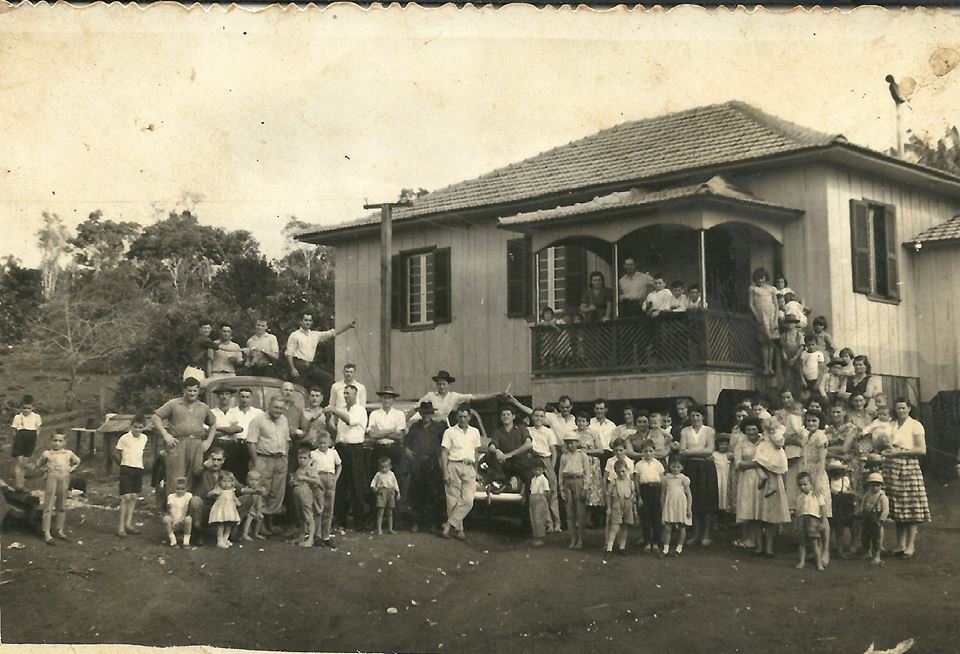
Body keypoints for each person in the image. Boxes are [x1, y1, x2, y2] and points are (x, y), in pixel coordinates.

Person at [152, 378, 218, 499]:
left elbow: (213, 424)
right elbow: (156, 417)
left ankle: (191, 507)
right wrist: (166, 435)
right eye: (189, 390)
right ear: (184, 390)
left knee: (196, 475)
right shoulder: (174, 404)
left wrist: (208, 441)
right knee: (176, 478)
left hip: (197, 444)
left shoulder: (203, 407)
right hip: (178, 443)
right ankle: (174, 507)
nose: (192, 393)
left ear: (198, 391)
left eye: (195, 391)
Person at [882, 398, 930, 558]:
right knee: (897, 507)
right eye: (898, 408)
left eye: (903, 408)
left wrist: (899, 452)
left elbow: (921, 449)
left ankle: (910, 545)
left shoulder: (915, 425)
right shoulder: (891, 425)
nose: (900, 411)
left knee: (911, 506)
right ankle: (900, 544)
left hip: (908, 467)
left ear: (909, 408)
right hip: (892, 467)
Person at [323, 384, 369, 530]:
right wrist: (328, 419)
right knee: (340, 485)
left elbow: (349, 420)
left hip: (354, 449)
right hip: (341, 449)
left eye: (348, 393)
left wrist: (333, 409)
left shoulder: (360, 410)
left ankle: (360, 521)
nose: (345, 396)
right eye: (344, 393)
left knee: (356, 485)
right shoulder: (341, 410)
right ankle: (340, 519)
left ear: (355, 395)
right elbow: (335, 432)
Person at [246, 397, 291, 535]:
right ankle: (260, 525)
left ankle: (270, 523)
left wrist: (285, 457)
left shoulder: (284, 420)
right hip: (263, 459)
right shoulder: (258, 420)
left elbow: (287, 440)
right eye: (276, 407)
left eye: (281, 408)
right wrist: (256, 462)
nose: (278, 410)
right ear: (269, 406)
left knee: (277, 492)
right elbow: (251, 442)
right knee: (262, 491)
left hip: (280, 460)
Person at [440, 405, 482, 540]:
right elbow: (444, 453)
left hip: (469, 466)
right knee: (453, 499)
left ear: (469, 417)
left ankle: (448, 524)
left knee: (468, 500)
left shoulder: (475, 432)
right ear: (456, 417)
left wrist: (476, 470)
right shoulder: (449, 432)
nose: (462, 419)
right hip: (454, 465)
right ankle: (459, 530)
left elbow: (476, 452)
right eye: (460, 417)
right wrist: (445, 472)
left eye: (465, 416)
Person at [404, 401, 446, 533]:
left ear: (432, 414)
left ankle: (432, 523)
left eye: (428, 413)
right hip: (417, 464)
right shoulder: (414, 427)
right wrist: (408, 452)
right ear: (420, 414)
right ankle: (416, 522)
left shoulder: (439, 428)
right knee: (416, 493)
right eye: (424, 413)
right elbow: (406, 444)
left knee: (432, 494)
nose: (426, 415)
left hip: (432, 464)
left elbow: (444, 446)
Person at [678, 405, 717, 546]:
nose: (695, 418)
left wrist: (690, 452)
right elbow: (682, 451)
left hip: (706, 468)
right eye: (693, 415)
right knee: (693, 499)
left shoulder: (709, 431)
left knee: (707, 500)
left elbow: (710, 450)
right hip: (691, 468)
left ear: (703, 417)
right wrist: (700, 452)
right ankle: (696, 534)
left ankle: (706, 535)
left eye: (698, 415)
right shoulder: (685, 431)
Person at [285, 312, 356, 387]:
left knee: (328, 380)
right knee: (299, 388)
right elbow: (289, 353)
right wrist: (292, 368)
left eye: (309, 320)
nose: (308, 322)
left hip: (310, 366)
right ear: (300, 321)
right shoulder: (295, 335)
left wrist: (349, 326)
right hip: (299, 366)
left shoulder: (315, 335)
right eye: (306, 320)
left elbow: (332, 333)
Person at [799, 410, 832, 565]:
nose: (811, 423)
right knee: (811, 513)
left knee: (822, 514)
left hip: (818, 476)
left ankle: (825, 551)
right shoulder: (806, 436)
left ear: (820, 422)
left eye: (814, 421)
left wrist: (817, 480)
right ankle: (815, 550)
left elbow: (822, 461)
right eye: (809, 420)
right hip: (807, 474)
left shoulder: (821, 436)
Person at [413, 370, 500, 426]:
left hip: (444, 426)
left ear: (448, 385)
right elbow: (415, 408)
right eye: (439, 384)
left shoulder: (454, 396)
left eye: (444, 384)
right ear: (436, 385)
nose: (441, 387)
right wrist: (405, 422)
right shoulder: (430, 396)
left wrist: (493, 395)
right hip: (430, 425)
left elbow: (474, 397)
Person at [36, 433, 80, 545]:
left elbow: (77, 461)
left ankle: (59, 529)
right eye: (55, 440)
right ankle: (46, 532)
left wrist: (71, 469)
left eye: (60, 441)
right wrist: (45, 471)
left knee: (61, 505)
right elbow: (38, 464)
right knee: (48, 505)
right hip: (52, 477)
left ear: (64, 442)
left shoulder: (68, 453)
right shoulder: (47, 453)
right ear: (51, 441)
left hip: (64, 478)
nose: (57, 443)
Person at [115, 413, 149, 538]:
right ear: (131, 426)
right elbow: (117, 453)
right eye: (135, 427)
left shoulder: (144, 438)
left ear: (144, 427)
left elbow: (142, 453)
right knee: (126, 497)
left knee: (134, 496)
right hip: (126, 468)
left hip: (138, 468)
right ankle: (120, 527)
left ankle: (128, 524)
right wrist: (122, 465)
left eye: (140, 427)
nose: (137, 430)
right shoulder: (124, 438)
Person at [528, 407, 561, 532]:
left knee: (552, 492)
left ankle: (557, 523)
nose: (538, 418)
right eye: (536, 416)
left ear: (544, 418)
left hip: (546, 460)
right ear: (532, 417)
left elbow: (553, 451)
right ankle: (547, 523)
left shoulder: (548, 432)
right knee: (538, 492)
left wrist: (551, 466)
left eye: (541, 416)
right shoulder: (528, 430)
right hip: (533, 460)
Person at [309, 430, 342, 548]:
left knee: (329, 508)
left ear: (329, 443)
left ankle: (326, 536)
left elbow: (339, 465)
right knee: (318, 508)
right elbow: (309, 467)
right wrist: (314, 478)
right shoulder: (313, 454)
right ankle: (317, 536)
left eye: (325, 443)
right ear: (317, 443)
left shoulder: (333, 453)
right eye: (320, 443)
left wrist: (335, 478)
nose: (323, 445)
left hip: (330, 478)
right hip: (319, 478)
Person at [210, 386, 248, 483]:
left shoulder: (235, 412)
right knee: (217, 472)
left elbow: (238, 429)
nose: (224, 397)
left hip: (233, 447)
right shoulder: (212, 412)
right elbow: (207, 431)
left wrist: (217, 428)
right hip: (217, 445)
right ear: (217, 396)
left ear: (230, 397)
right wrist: (229, 429)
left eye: (227, 394)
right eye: (221, 394)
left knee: (233, 473)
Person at [574, 411, 605, 526]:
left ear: (587, 422)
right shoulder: (572, 434)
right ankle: (579, 519)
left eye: (583, 421)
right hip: (577, 463)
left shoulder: (593, 433)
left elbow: (600, 450)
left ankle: (589, 519)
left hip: (591, 463)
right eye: (579, 421)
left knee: (591, 491)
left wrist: (586, 451)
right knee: (579, 489)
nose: (581, 423)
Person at [367, 386, 407, 473]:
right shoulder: (374, 414)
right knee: (377, 475)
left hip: (394, 449)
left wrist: (380, 432)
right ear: (381, 398)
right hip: (379, 449)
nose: (386, 401)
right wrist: (391, 430)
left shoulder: (399, 414)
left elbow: (400, 436)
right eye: (384, 398)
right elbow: (372, 435)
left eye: (389, 398)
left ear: (393, 399)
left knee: (396, 475)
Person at [634, 439, 665, 553]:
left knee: (656, 517)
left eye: (650, 451)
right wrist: (639, 496)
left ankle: (656, 542)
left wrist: (662, 495)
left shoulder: (658, 464)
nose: (648, 453)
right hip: (644, 490)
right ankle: (647, 542)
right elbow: (636, 481)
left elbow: (662, 480)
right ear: (642, 452)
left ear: (654, 451)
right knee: (645, 517)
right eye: (645, 451)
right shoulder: (639, 465)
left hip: (656, 490)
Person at [559, 432, 588, 550]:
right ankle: (573, 538)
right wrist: (561, 489)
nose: (570, 445)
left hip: (578, 481)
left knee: (580, 512)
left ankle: (581, 539)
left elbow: (587, 473)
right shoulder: (564, 457)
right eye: (567, 443)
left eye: (572, 442)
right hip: (567, 482)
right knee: (570, 513)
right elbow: (560, 473)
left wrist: (585, 488)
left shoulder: (582, 456)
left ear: (577, 443)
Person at [604, 459, 638, 559]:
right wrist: (609, 508)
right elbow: (609, 495)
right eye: (618, 472)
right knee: (614, 527)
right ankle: (609, 548)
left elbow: (633, 497)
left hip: (628, 505)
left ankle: (622, 547)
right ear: (615, 472)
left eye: (623, 471)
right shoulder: (614, 482)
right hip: (617, 505)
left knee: (625, 526)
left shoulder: (630, 482)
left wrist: (635, 510)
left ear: (627, 470)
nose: (621, 474)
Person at [291, 445, 324, 547]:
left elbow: (317, 481)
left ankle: (311, 538)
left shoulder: (310, 469)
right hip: (297, 493)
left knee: (308, 515)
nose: (302, 460)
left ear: (309, 459)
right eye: (300, 458)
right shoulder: (298, 469)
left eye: (304, 458)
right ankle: (301, 536)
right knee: (300, 516)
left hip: (305, 493)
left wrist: (304, 478)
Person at [748, 267, 779, 376]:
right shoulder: (753, 289)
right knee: (764, 342)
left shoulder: (772, 289)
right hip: (761, 317)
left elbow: (776, 305)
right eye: (758, 278)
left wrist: (775, 320)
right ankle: (765, 367)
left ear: (765, 278)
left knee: (771, 342)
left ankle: (770, 367)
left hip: (771, 317)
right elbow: (751, 304)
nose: (760, 280)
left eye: (762, 278)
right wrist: (757, 316)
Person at [660, 456, 692, 558]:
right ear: (669, 466)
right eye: (673, 466)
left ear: (682, 467)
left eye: (678, 467)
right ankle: (665, 549)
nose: (675, 469)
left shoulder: (684, 479)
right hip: (669, 504)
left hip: (681, 505)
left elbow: (689, 495)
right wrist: (662, 506)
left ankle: (679, 548)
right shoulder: (666, 479)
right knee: (667, 527)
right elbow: (663, 494)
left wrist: (689, 508)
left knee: (682, 527)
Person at [795, 471, 827, 571]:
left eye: (805, 484)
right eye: (800, 485)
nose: (803, 487)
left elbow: (823, 508)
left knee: (814, 542)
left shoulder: (816, 495)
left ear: (811, 484)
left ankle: (819, 563)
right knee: (802, 543)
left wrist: (823, 521)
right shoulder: (799, 497)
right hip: (802, 519)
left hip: (813, 519)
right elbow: (798, 512)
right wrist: (796, 524)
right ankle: (801, 561)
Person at [10, 394, 41, 492]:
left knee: (24, 463)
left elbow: (38, 429)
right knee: (19, 462)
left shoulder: (36, 417)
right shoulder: (18, 417)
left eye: (29, 408)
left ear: (33, 408)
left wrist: (35, 438)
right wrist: (17, 439)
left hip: (31, 438)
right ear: (21, 407)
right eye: (24, 408)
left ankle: (22, 485)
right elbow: (14, 430)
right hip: (20, 438)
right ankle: (18, 485)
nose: (26, 410)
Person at [857, 472, 890, 565]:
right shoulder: (867, 495)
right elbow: (862, 504)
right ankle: (867, 552)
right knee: (865, 537)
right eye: (872, 485)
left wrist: (882, 519)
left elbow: (886, 509)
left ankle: (877, 556)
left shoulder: (882, 497)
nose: (874, 487)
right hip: (867, 517)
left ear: (881, 486)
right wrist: (860, 512)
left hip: (877, 518)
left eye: (877, 485)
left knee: (877, 538)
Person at [207, 471, 242, 549]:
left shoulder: (232, 490)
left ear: (232, 483)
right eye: (224, 481)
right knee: (221, 525)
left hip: (230, 510)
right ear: (220, 482)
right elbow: (209, 495)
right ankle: (219, 540)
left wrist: (237, 502)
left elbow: (234, 498)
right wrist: (213, 493)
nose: (226, 484)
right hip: (221, 510)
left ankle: (225, 539)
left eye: (229, 482)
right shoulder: (219, 489)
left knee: (229, 525)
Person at [827, 460, 854, 558]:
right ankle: (828, 549)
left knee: (840, 529)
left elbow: (851, 491)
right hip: (832, 505)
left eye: (838, 471)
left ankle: (840, 550)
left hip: (843, 507)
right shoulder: (828, 480)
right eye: (834, 471)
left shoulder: (845, 480)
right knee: (829, 528)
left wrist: (848, 493)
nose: (836, 473)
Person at [371, 456, 400, 535]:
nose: (384, 469)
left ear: (390, 467)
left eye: (386, 467)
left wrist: (398, 492)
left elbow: (395, 483)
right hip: (382, 492)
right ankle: (379, 529)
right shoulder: (378, 474)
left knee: (390, 511)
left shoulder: (391, 474)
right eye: (382, 467)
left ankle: (390, 528)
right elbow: (373, 481)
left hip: (390, 492)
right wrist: (374, 487)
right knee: (381, 511)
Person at [162, 477, 193, 547]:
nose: (180, 491)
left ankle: (186, 542)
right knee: (166, 518)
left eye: (182, 489)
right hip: (174, 519)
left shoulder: (188, 495)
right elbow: (169, 510)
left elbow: (186, 508)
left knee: (188, 519)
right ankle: (173, 540)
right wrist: (174, 520)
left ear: (186, 489)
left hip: (183, 519)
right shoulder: (171, 496)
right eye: (178, 489)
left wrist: (180, 519)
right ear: (174, 489)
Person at [239, 469, 266, 541]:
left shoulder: (258, 491)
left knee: (260, 517)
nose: (254, 482)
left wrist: (259, 511)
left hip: (254, 509)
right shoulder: (246, 490)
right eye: (251, 480)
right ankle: (245, 533)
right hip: (246, 510)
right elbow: (245, 503)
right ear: (247, 480)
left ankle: (256, 533)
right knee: (250, 516)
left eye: (256, 480)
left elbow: (259, 503)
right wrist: (250, 511)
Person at [712, 434, 732, 522]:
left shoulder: (729, 455)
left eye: (725, 444)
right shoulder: (714, 455)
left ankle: (726, 519)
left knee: (726, 495)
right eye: (721, 444)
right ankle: (717, 519)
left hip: (727, 477)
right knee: (719, 494)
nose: (723, 446)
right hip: (717, 477)